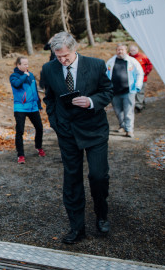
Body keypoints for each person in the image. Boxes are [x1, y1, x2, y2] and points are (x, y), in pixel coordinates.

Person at [41, 31, 113, 244]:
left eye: (65, 56)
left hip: (95, 129)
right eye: (58, 56)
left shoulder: (96, 65)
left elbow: (108, 91)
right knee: (72, 179)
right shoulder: (48, 68)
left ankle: (101, 214)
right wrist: (55, 123)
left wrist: (91, 101)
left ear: (74, 49)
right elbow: (49, 99)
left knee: (98, 176)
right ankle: (77, 227)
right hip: (67, 132)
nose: (62, 60)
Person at [9, 56, 45, 164]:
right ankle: (20, 155)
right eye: (24, 64)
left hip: (33, 107)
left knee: (39, 128)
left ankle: (38, 147)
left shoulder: (31, 75)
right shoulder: (14, 76)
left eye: (27, 64)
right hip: (20, 107)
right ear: (18, 65)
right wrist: (24, 76)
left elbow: (34, 91)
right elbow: (16, 84)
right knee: (20, 131)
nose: (27, 66)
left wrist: (39, 104)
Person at [106, 44, 144, 138]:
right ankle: (122, 126)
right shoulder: (111, 61)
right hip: (114, 91)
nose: (120, 52)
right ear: (116, 50)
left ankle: (129, 130)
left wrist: (137, 86)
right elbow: (105, 74)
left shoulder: (132, 61)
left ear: (126, 51)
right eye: (118, 50)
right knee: (118, 111)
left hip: (128, 91)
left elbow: (140, 73)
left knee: (128, 111)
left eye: (122, 50)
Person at [128, 44, 153, 112]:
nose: (132, 51)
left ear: (137, 50)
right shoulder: (127, 57)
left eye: (134, 50)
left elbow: (150, 64)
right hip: (131, 79)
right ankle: (141, 103)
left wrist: (146, 72)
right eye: (131, 50)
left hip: (142, 78)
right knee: (134, 92)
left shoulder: (143, 57)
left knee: (140, 91)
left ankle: (138, 106)